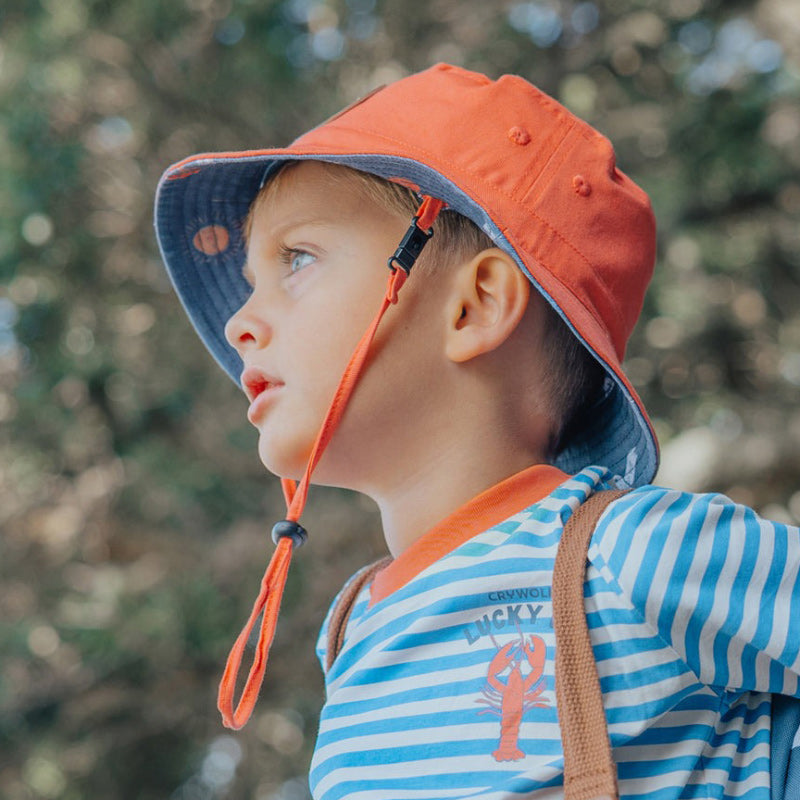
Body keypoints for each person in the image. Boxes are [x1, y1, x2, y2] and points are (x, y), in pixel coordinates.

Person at [154, 63, 800, 799]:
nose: (240, 322)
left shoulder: (632, 553)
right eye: (248, 281)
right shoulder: (350, 633)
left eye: (296, 259)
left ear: (476, 306)